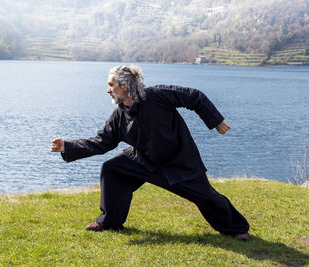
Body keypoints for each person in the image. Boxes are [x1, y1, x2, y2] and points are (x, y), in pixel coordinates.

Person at [51, 65, 250, 241]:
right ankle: (109, 221)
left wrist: (215, 121)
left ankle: (237, 229)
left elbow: (194, 96)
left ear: (125, 86)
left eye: (111, 85)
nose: (108, 90)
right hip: (143, 160)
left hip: (178, 162)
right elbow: (102, 142)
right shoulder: (119, 115)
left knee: (206, 197)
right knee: (112, 170)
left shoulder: (158, 95)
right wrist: (67, 147)